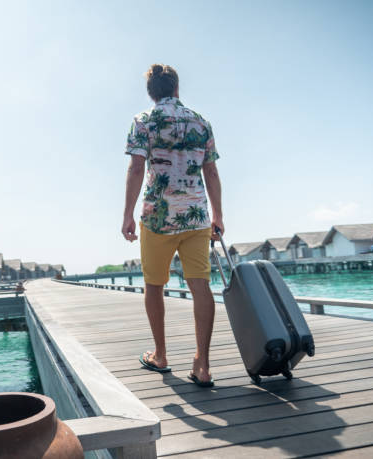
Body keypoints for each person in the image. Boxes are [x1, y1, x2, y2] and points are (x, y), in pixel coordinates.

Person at [121, 64, 224, 387]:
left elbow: (137, 168)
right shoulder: (200, 121)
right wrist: (218, 215)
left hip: (157, 216)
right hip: (195, 215)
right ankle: (202, 365)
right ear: (176, 88)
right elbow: (211, 173)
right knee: (200, 286)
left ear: (151, 92)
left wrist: (126, 214)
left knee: (154, 285)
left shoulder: (143, 121)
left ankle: (161, 355)